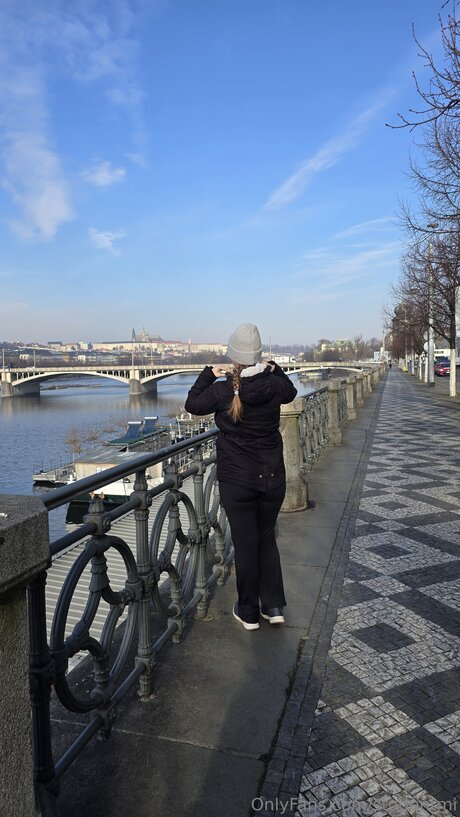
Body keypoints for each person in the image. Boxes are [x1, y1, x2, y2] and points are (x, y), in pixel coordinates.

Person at [184, 323, 297, 631]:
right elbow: (291, 392)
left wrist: (208, 373)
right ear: (259, 355)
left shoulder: (223, 390)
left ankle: (248, 611)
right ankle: (273, 606)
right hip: (272, 477)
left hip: (238, 480)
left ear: (233, 356)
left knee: (246, 545)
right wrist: (275, 369)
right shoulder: (275, 385)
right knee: (266, 539)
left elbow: (192, 404)